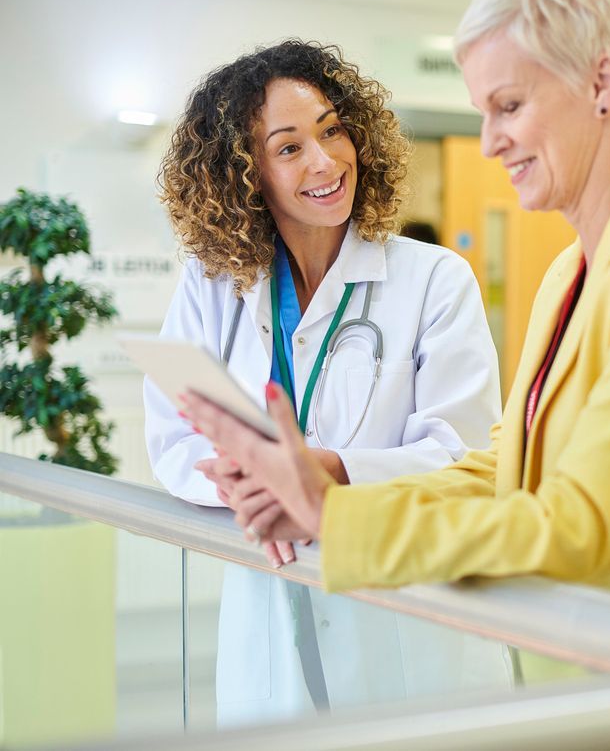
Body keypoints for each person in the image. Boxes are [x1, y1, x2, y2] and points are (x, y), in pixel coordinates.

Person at [184, 0, 610, 620]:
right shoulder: (571, 271)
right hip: (598, 674)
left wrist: (332, 518)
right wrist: (331, 487)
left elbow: (575, 523)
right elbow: (505, 471)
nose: (489, 143)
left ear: (603, 83)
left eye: (508, 106)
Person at [144, 40, 507, 725]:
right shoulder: (215, 287)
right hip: (269, 605)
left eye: (333, 129)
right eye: (288, 148)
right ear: (245, 175)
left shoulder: (434, 280)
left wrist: (328, 471)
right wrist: (249, 480)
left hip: (410, 623)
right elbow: (173, 432)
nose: (324, 162)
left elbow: (462, 453)